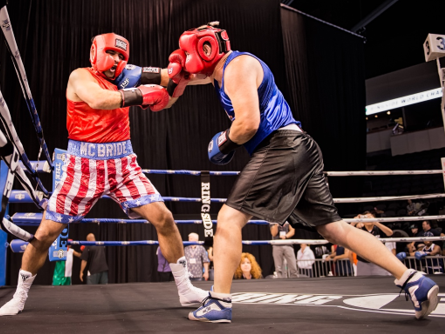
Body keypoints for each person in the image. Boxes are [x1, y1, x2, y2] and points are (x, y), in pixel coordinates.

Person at [166, 22, 439, 323]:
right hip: (299, 147)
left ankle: (219, 301)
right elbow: (179, 79)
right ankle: (414, 279)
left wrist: (225, 141)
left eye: (189, 53)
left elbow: (248, 124)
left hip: (280, 146)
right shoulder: (221, 72)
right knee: (334, 228)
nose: (188, 62)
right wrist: (147, 77)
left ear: (205, 50)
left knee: (229, 218)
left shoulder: (238, 67)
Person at [0, 32, 207, 316]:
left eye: (122, 56)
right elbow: (99, 100)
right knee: (46, 234)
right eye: (112, 53)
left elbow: (168, 87)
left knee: (164, 217)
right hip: (82, 166)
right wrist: (141, 94)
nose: (117, 61)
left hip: (122, 164)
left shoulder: (131, 75)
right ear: (96, 52)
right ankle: (20, 295)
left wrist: (188, 73)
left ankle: (185, 290)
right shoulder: (80, 77)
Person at [354, 211, 394, 276]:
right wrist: (354, 223)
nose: (368, 220)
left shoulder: (378, 229)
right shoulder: (359, 229)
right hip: (363, 261)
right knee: (362, 283)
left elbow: (390, 233)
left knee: (381, 282)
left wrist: (376, 223)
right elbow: (345, 235)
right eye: (366, 218)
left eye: (370, 217)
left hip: (379, 261)